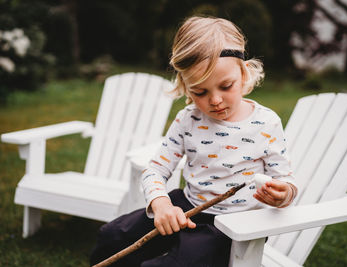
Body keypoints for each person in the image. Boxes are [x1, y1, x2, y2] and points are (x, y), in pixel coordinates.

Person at [90, 16, 297, 267]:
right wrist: (161, 204)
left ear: (243, 73)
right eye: (200, 92)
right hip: (185, 205)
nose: (215, 100)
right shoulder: (188, 119)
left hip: (230, 225)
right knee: (114, 236)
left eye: (225, 86)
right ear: (186, 86)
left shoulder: (266, 124)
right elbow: (155, 169)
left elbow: (285, 180)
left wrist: (283, 194)